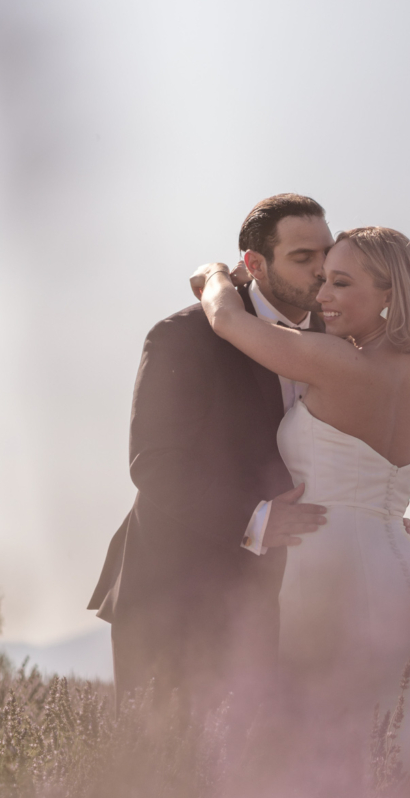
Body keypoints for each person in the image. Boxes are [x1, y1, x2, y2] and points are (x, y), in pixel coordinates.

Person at [191, 227, 410, 763]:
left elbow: (226, 320)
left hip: (329, 569)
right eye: (323, 279)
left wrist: (215, 276)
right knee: (401, 749)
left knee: (323, 753)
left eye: (341, 283)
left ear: (389, 294)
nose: (322, 296)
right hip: (404, 565)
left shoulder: (335, 361)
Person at [88, 195, 333, 716]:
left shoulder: (335, 342)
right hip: (177, 595)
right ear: (255, 265)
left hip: (297, 599)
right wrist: (258, 520)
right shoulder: (184, 338)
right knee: (171, 777)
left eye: (326, 254)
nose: (321, 270)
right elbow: (154, 461)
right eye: (302, 257)